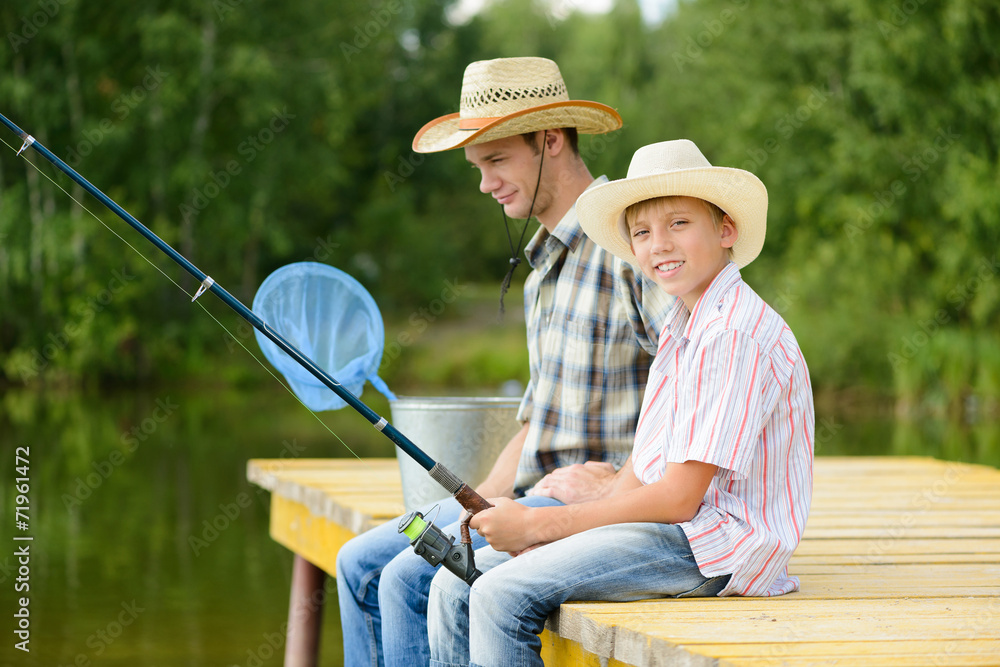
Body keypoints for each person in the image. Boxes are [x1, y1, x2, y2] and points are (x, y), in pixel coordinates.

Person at [335, 57, 674, 666]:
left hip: (586, 504)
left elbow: (690, 380)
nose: (485, 184)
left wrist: (622, 479)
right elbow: (534, 420)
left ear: (550, 141)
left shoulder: (630, 245)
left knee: (409, 581)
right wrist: (476, 501)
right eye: (478, 167)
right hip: (524, 492)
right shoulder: (539, 272)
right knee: (357, 564)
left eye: (496, 161)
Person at [426, 139, 816, 666]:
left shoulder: (733, 332)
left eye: (678, 223)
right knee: (455, 585)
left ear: (726, 229)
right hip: (670, 531)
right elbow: (643, 468)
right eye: (641, 232)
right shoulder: (683, 326)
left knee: (500, 595)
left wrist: (542, 526)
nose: (659, 244)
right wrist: (561, 522)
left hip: (715, 546)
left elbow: (679, 498)